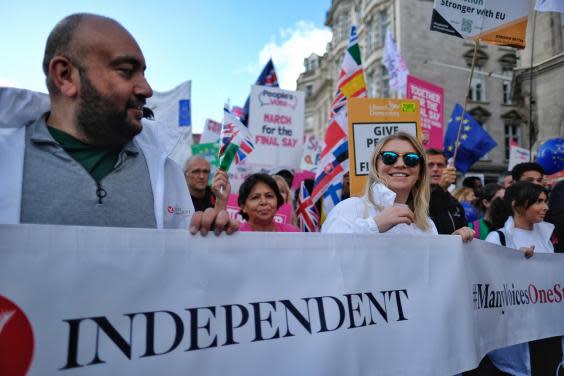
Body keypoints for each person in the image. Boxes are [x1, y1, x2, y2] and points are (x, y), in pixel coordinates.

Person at [0, 13, 236, 235]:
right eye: (126, 71)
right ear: (65, 75)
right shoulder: (7, 160)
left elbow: (181, 269)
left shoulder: (165, 171)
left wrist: (209, 241)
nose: (147, 89)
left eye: (143, 73)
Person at [322, 132, 473, 241]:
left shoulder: (425, 224)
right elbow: (328, 257)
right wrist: (375, 225)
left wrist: (450, 247)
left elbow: (429, 275)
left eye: (411, 159)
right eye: (389, 157)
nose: (400, 164)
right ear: (376, 166)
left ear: (420, 172)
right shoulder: (351, 208)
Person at [484, 181, 557, 376]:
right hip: (516, 331)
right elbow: (489, 281)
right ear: (517, 205)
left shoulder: (546, 238)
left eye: (546, 201)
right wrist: (515, 264)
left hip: (547, 327)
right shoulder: (497, 238)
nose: (545, 207)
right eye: (539, 201)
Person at [426, 148, 468, 234]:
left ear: (446, 168)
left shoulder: (455, 204)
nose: (435, 169)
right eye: (430, 165)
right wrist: (441, 188)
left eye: (440, 165)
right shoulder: (415, 199)